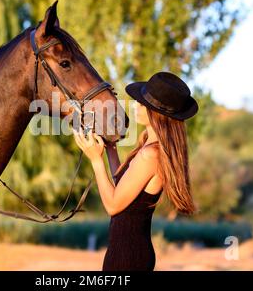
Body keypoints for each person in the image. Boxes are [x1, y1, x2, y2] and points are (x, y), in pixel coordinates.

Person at [73, 71, 199, 271]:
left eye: (142, 103)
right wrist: (110, 150)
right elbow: (123, 188)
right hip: (127, 251)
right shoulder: (150, 147)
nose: (135, 105)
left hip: (128, 256)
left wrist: (96, 160)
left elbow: (114, 205)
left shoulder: (151, 154)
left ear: (155, 112)